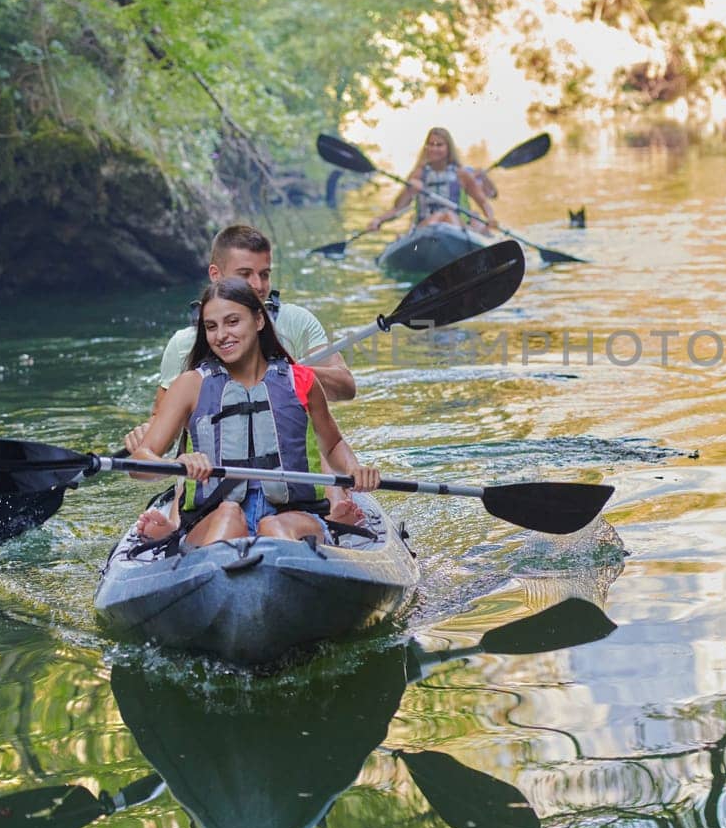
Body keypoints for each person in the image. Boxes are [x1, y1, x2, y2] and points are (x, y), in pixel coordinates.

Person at [131, 277, 378, 547]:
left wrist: (355, 469)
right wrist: (176, 465)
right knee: (229, 513)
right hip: (213, 517)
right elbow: (141, 462)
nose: (221, 335)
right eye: (211, 327)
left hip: (294, 515)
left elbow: (332, 445)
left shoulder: (301, 380)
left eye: (233, 322)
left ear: (259, 321)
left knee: (273, 526)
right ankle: (215, 569)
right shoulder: (190, 385)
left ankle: (291, 562)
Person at [127, 225, 354, 452]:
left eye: (264, 274)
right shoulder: (183, 343)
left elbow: (346, 386)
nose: (258, 285)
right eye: (245, 274)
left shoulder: (297, 320)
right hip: (213, 477)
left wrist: (283, 370)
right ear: (216, 275)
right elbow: (162, 430)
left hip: (290, 471)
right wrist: (146, 434)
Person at [366, 127, 499, 234]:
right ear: (426, 147)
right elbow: (398, 208)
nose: (434, 148)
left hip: (457, 226)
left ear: (448, 149)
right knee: (440, 217)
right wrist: (378, 220)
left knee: (447, 215)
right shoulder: (417, 174)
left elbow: (483, 203)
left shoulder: (462, 174)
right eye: (431, 144)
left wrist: (491, 219)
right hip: (426, 227)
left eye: (439, 145)